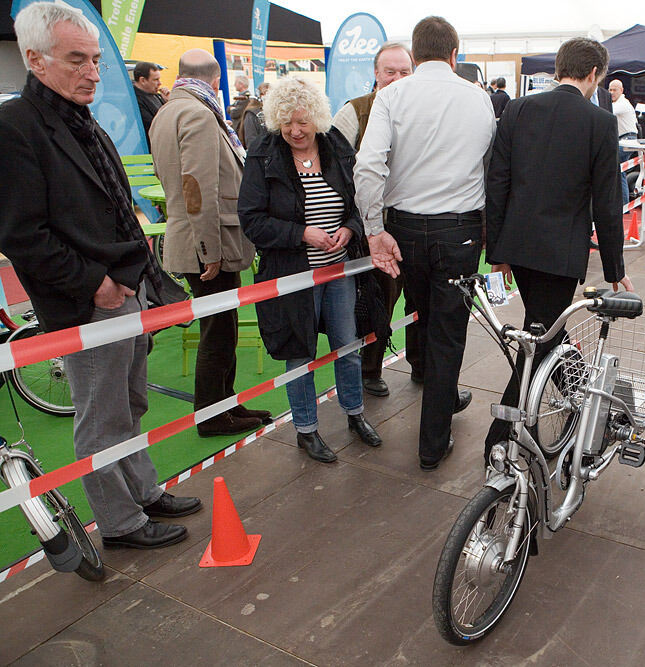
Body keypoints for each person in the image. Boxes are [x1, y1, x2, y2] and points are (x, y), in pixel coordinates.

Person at [0, 2, 201, 550]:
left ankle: (143, 490)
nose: (93, 71)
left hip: (122, 289)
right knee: (101, 418)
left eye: (95, 59)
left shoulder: (76, 117)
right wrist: (94, 284)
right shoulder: (16, 126)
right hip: (88, 301)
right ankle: (120, 522)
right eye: (77, 60)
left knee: (131, 403)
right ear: (35, 61)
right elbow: (21, 235)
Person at [354, 16, 495, 471]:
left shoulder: (391, 96)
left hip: (406, 228)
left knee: (423, 315)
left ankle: (436, 401)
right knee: (447, 331)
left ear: (414, 57)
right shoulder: (479, 99)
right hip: (460, 230)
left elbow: (368, 167)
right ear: (455, 55)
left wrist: (374, 229)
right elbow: (490, 166)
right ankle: (433, 441)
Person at [484, 37, 631, 454]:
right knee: (541, 341)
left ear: (558, 68)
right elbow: (607, 203)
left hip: (519, 247)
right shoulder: (600, 123)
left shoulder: (519, 108)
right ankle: (500, 439)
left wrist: (499, 251)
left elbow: (498, 182)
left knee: (546, 328)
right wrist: (616, 269)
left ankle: (579, 399)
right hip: (560, 255)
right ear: (594, 75)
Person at [239, 76, 383, 463]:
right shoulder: (263, 153)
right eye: (286, 122)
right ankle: (306, 429)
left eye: (302, 121)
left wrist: (349, 228)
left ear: (317, 118)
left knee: (348, 346)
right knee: (298, 354)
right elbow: (251, 220)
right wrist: (302, 233)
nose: (295, 130)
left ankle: (355, 414)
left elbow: (358, 203)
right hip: (291, 275)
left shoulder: (336, 147)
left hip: (338, 271)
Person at [150, 49, 270, 437]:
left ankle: (225, 404)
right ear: (215, 80)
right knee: (219, 332)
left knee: (220, 327)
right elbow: (197, 186)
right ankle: (213, 415)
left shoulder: (168, 110)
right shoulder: (199, 114)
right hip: (207, 242)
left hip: (194, 237)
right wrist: (210, 250)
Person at [332, 42, 421, 399]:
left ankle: (421, 364)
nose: (397, 78)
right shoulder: (355, 111)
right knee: (376, 300)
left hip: (415, 222)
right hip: (370, 227)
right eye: (390, 71)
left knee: (419, 299)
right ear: (375, 73)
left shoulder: (422, 109)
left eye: (404, 71)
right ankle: (370, 369)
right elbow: (333, 169)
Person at [609, 79, 638, 206]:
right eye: (610, 90)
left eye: (614, 90)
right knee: (619, 170)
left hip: (627, 140)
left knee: (611, 165)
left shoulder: (622, 104)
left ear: (621, 90)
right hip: (625, 140)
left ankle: (622, 203)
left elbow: (606, 112)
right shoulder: (620, 103)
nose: (611, 92)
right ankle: (624, 204)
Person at [132, 61, 163, 143]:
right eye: (156, 80)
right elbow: (153, 125)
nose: (160, 83)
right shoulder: (134, 100)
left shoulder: (156, 95)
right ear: (142, 80)